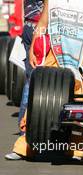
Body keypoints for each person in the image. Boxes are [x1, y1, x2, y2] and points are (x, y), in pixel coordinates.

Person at [5, 0, 83, 160]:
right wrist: (32, 49)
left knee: (82, 98)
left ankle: (76, 146)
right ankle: (26, 145)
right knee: (40, 96)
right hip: (56, 52)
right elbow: (43, 24)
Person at [5, 0, 44, 160]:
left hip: (39, 25)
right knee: (33, 83)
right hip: (40, 27)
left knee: (34, 83)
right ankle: (25, 139)